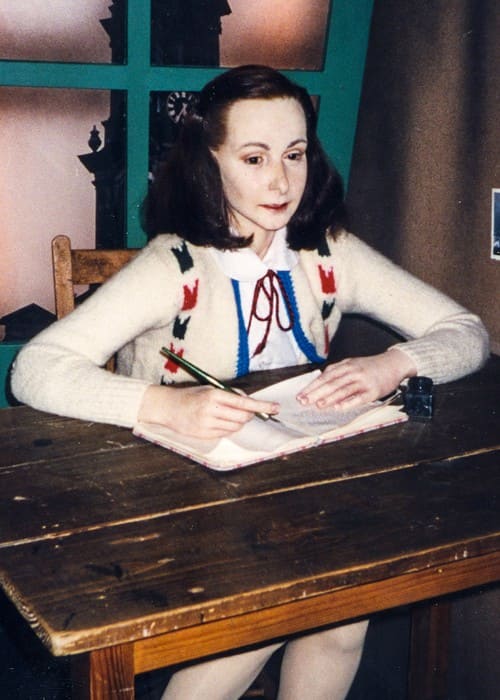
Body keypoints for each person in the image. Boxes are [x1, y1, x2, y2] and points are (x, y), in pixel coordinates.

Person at [11, 65, 489, 699]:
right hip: (181, 500)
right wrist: (160, 405)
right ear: (210, 163)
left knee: (345, 619)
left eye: (295, 155)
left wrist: (392, 364)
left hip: (298, 484)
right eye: (254, 157)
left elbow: (466, 331)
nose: (281, 181)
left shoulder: (327, 252)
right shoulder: (174, 264)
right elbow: (33, 370)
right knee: (265, 620)